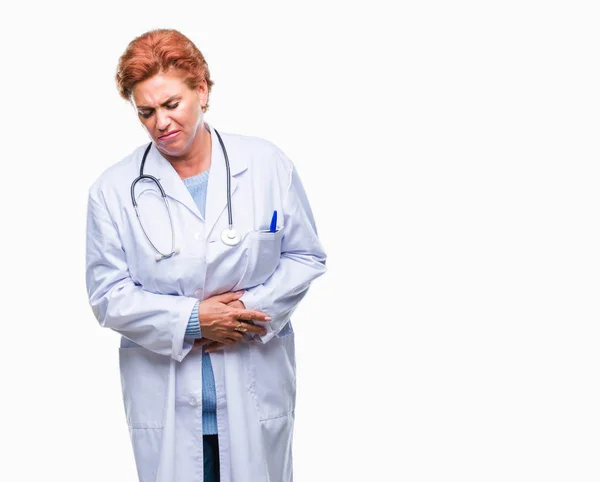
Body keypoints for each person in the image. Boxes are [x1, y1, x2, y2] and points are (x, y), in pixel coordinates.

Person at [85, 28, 327, 482]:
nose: (160, 122)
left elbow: (305, 256)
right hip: (168, 399)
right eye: (146, 112)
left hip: (254, 390)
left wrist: (244, 314)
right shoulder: (113, 190)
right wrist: (194, 320)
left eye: (171, 105)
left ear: (202, 89)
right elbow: (108, 295)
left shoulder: (267, 164)